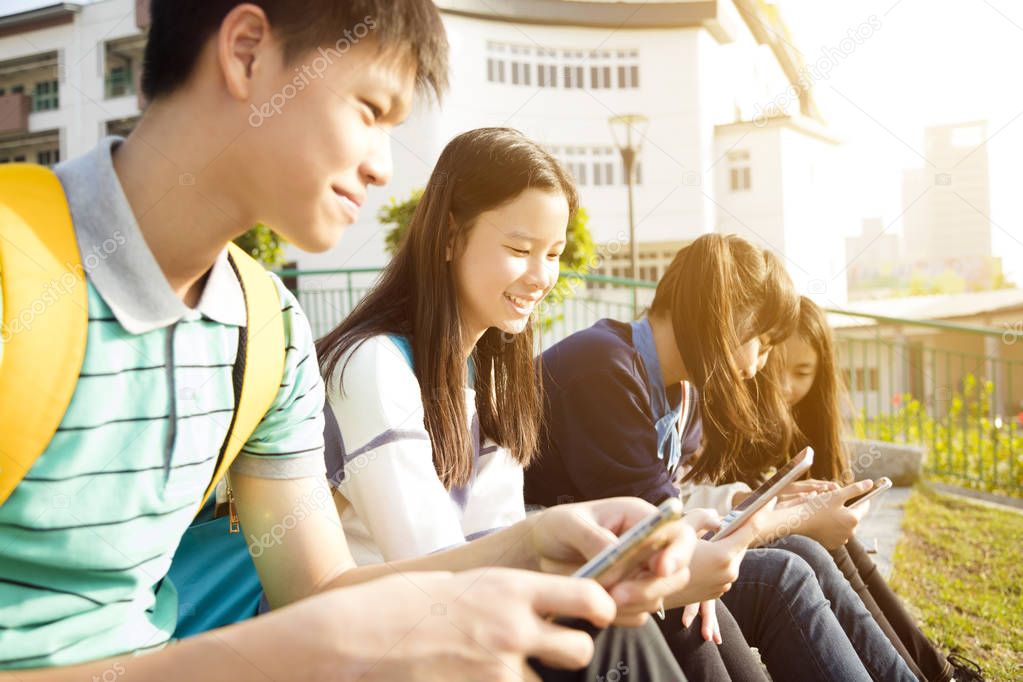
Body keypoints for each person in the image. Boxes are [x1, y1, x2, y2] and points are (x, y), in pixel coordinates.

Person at [0, 3, 690, 679]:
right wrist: (310, 647)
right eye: (368, 109)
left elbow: (322, 589)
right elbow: (321, 626)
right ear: (245, 52)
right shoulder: (14, 266)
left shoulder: (269, 329)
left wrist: (535, 542)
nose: (383, 167)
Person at [317, 128, 776, 680]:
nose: (541, 277)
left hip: (464, 619)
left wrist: (642, 560)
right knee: (624, 626)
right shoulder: (373, 367)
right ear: (447, 236)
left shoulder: (493, 376)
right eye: (519, 250)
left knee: (665, 613)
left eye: (553, 254)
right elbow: (443, 570)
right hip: (377, 640)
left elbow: (496, 534)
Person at [524, 234, 918, 681]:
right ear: (724, 315)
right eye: (762, 343)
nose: (756, 368)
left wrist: (763, 506)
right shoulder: (604, 370)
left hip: (621, 570)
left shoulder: (679, 390)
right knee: (783, 573)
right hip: (562, 586)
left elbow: (673, 503)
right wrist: (792, 519)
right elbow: (659, 531)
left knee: (793, 560)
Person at [772, 296, 985, 682]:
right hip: (755, 535)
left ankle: (937, 672)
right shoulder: (737, 414)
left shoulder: (808, 420)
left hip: (779, 528)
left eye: (802, 372)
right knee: (826, 548)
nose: (787, 386)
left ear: (821, 373)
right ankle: (935, 675)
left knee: (843, 548)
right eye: (776, 369)